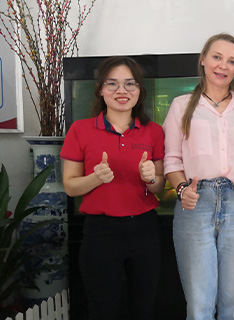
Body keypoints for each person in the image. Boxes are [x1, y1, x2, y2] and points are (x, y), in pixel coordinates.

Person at [162, 33, 234, 320]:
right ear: (203, 60)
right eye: (217, 57)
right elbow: (171, 159)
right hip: (195, 202)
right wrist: (182, 189)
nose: (223, 66)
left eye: (232, 61)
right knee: (199, 305)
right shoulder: (181, 105)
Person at [61, 56, 165, 320]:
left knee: (144, 308)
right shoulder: (80, 129)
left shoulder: (153, 131)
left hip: (144, 230)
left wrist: (151, 178)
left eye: (130, 83)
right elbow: (70, 186)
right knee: (103, 309)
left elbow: (159, 187)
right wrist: (95, 178)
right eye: (112, 83)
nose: (122, 90)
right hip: (101, 232)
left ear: (139, 90)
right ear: (100, 89)